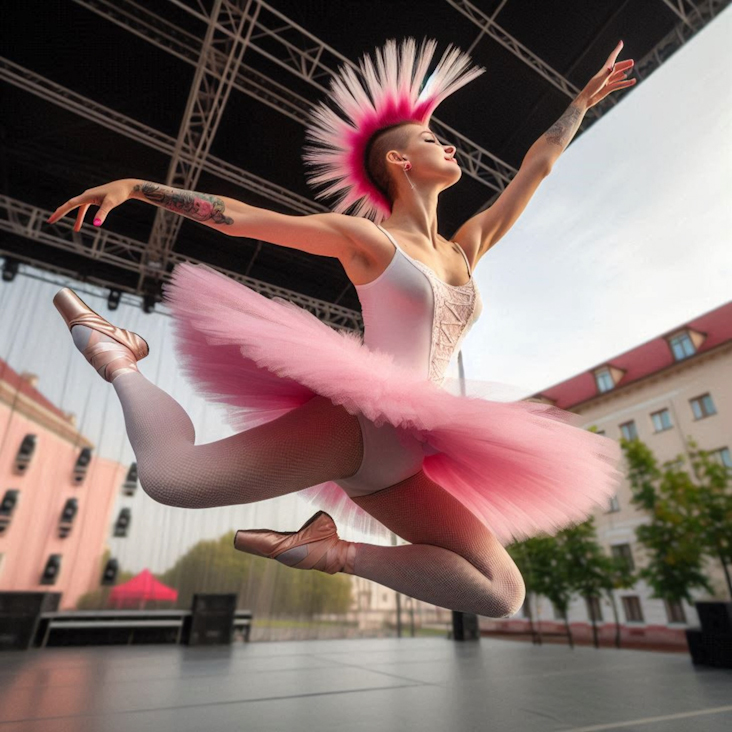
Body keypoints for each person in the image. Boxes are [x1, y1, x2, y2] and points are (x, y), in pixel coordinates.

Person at [47, 38, 635, 618]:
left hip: (407, 456)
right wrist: (137, 188)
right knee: (171, 481)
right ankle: (118, 357)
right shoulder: (367, 240)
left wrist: (579, 105)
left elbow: (537, 168)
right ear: (400, 163)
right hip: (358, 421)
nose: (450, 144)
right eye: (433, 139)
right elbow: (244, 219)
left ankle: (332, 551)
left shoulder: (465, 251)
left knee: (499, 592)